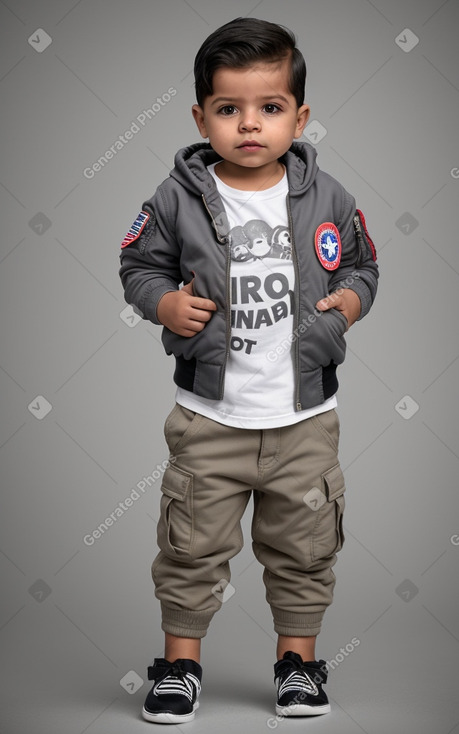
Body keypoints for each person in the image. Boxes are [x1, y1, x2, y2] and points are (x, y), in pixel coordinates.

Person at [119, 16, 378, 725]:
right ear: (201, 116)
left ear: (300, 116)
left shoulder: (329, 200)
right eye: (228, 109)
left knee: (304, 546)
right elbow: (138, 266)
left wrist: (345, 307)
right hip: (211, 418)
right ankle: (179, 665)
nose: (249, 125)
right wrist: (164, 303)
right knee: (190, 546)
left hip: (303, 420)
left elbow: (362, 265)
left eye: (269, 108)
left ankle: (296, 665)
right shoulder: (175, 198)